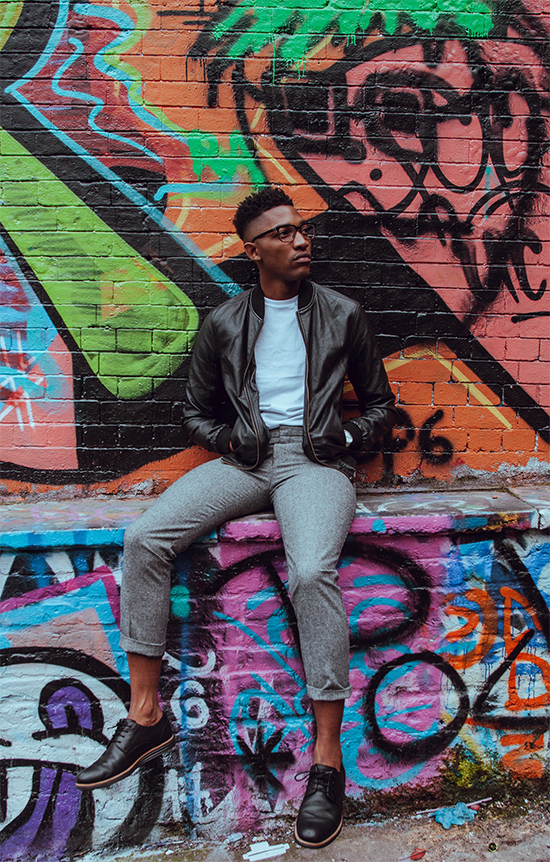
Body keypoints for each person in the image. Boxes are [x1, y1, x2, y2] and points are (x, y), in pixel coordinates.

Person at [76, 186, 398, 848]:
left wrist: (343, 438)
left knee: (311, 572)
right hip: (246, 459)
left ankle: (327, 762)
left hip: (316, 462)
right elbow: (194, 411)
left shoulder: (342, 314)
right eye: (281, 234)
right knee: (145, 538)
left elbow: (380, 406)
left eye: (302, 229)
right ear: (253, 252)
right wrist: (228, 440)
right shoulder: (224, 322)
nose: (299, 240)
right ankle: (145, 716)